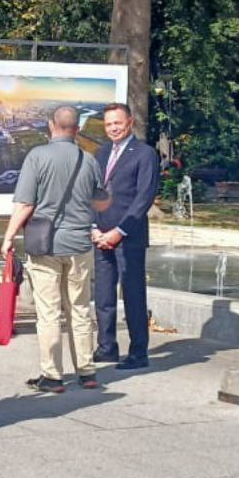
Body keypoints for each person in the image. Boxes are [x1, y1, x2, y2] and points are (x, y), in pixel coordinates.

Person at [0, 106, 109, 393]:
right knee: (80, 308)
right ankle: (86, 371)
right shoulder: (88, 160)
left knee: (49, 312)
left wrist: (9, 236)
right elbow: (101, 203)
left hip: (45, 245)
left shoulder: (37, 157)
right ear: (77, 128)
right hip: (80, 245)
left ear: (51, 126)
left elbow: (25, 204)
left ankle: (52, 375)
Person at [92, 103, 161, 370]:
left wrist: (119, 232)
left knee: (133, 294)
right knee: (103, 295)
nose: (113, 129)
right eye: (109, 124)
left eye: (117, 123)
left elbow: (144, 197)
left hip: (128, 235)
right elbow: (92, 192)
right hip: (100, 235)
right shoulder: (101, 152)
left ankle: (138, 352)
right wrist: (94, 228)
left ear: (130, 122)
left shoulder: (145, 154)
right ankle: (107, 347)